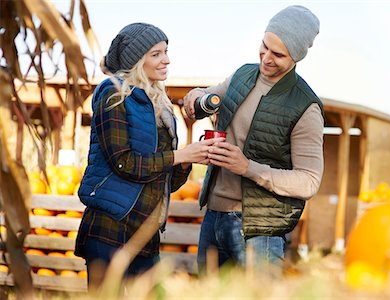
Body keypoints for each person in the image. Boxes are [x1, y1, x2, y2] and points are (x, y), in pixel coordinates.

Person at [75, 22, 221, 288]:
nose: (166, 60)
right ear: (136, 61)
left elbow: (166, 182)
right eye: (156, 54)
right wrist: (179, 155)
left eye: (166, 51)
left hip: (146, 233)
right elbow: (123, 162)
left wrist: (189, 159)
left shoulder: (161, 107)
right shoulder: (113, 93)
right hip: (111, 228)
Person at [183, 5, 324, 273]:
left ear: (297, 57)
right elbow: (207, 97)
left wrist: (248, 168)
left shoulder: (305, 106)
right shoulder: (242, 76)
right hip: (213, 218)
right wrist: (196, 96)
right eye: (264, 46)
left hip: (260, 231)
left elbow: (309, 181)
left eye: (278, 54)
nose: (267, 58)